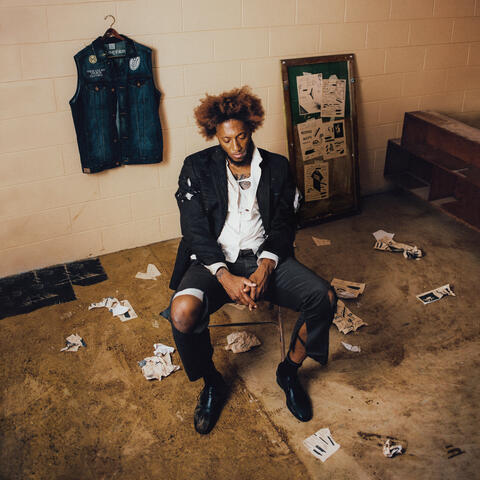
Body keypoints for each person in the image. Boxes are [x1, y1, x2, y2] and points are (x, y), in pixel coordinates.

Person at [164, 86, 336, 435]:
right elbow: (194, 231)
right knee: (182, 312)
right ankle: (212, 382)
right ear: (215, 136)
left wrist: (266, 266)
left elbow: (284, 223)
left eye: (241, 136)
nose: (236, 146)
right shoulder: (196, 167)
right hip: (213, 263)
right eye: (226, 140)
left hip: (263, 256)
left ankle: (289, 372)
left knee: (324, 297)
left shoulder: (277, 166)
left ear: (251, 129)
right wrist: (224, 276)